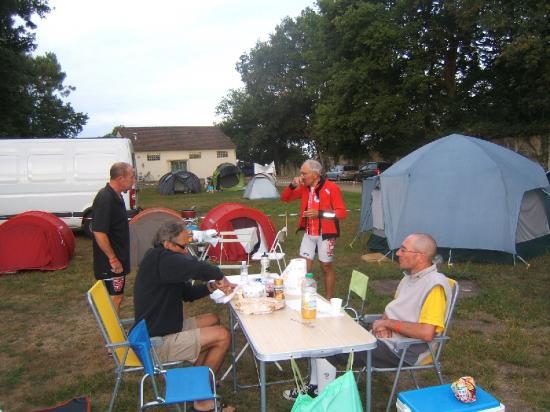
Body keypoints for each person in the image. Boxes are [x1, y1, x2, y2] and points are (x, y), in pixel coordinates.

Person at [283, 233, 453, 401]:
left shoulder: (434, 286)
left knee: (329, 347)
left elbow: (426, 333)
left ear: (420, 256)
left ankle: (323, 399)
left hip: (406, 349)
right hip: (390, 339)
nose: (398, 253)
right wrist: (383, 326)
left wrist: (388, 324)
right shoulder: (410, 277)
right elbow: (395, 309)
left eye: (403, 249)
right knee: (323, 331)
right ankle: (314, 387)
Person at [133, 220, 235, 412]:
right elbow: (198, 267)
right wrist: (219, 276)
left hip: (164, 326)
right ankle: (201, 399)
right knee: (222, 335)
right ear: (167, 244)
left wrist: (211, 286)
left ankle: (197, 381)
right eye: (183, 246)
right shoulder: (162, 259)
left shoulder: (162, 261)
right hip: (156, 342)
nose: (186, 251)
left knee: (213, 319)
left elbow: (186, 294)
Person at [281, 159, 347, 299]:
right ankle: (304, 297)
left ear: (315, 174)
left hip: (326, 235)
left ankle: (329, 299)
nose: (301, 176)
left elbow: (341, 213)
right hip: (309, 233)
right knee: (304, 269)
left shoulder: (331, 188)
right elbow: (285, 198)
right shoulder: (304, 188)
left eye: (304, 173)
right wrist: (292, 185)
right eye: (301, 173)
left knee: (325, 267)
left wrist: (320, 213)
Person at [92, 162, 135, 312]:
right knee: (115, 297)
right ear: (120, 178)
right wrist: (113, 258)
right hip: (110, 262)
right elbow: (99, 231)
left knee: (117, 296)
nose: (133, 180)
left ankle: (113, 331)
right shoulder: (105, 198)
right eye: (131, 177)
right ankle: (112, 334)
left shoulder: (116, 196)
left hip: (118, 257)